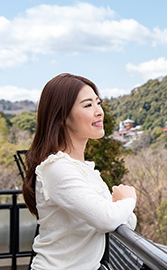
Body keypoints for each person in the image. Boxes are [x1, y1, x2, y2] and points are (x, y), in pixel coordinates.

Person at [22, 73, 137, 270]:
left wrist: (119, 208)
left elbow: (127, 222)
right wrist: (129, 198)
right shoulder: (56, 168)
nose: (99, 111)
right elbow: (107, 218)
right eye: (87, 105)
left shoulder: (86, 170)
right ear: (61, 117)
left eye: (98, 103)